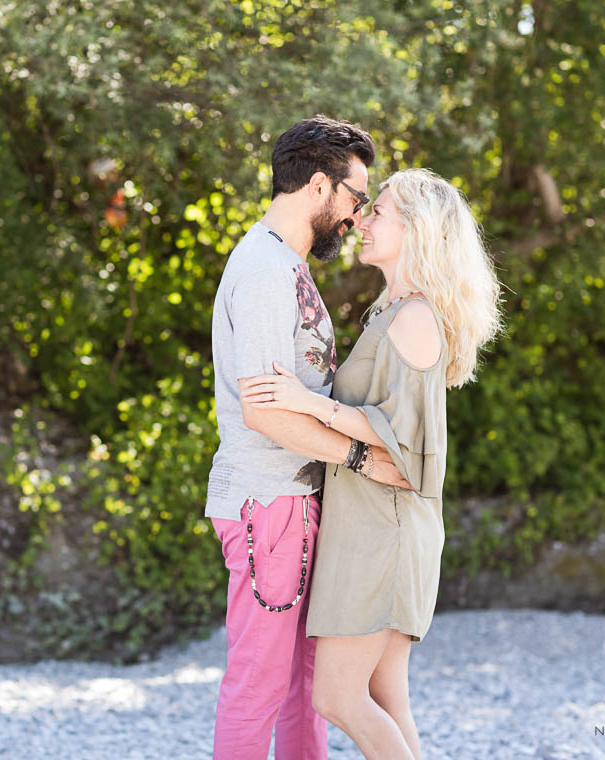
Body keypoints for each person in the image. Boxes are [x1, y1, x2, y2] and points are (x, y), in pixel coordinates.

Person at [240, 167, 504, 760]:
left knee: (336, 695)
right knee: (386, 696)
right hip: (377, 522)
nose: (361, 218)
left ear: (419, 230)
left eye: (379, 211)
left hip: (382, 530)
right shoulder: (397, 311)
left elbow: (402, 440)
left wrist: (307, 403)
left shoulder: (413, 318)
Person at [205, 116, 414, 760]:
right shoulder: (267, 269)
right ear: (319, 186)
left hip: (292, 503)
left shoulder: (284, 265)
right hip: (269, 504)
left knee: (305, 684)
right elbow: (264, 412)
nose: (355, 217)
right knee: (259, 684)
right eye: (355, 198)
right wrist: (359, 455)